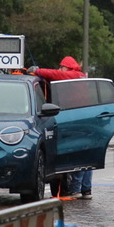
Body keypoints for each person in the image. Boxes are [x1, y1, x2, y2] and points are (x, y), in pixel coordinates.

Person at [30, 56, 88, 198]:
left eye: (61, 67)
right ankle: (86, 190)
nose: (59, 69)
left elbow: (56, 74)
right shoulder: (81, 76)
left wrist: (38, 71)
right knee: (86, 157)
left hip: (74, 119)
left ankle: (74, 189)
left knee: (75, 154)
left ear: (66, 67)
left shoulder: (72, 75)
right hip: (85, 117)